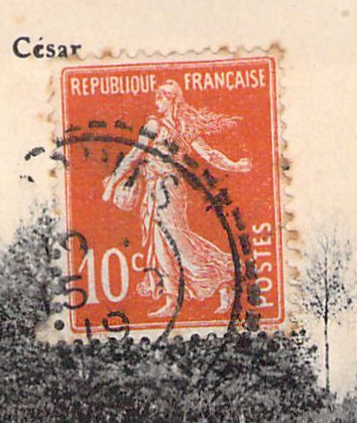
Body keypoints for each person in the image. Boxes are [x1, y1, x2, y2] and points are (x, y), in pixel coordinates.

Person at [100, 80, 252, 319]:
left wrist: (235, 165)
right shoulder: (160, 125)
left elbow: (207, 154)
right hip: (155, 188)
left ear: (170, 99)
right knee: (162, 244)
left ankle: (223, 276)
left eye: (159, 98)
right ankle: (177, 298)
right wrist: (115, 182)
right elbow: (135, 155)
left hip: (169, 190)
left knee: (176, 242)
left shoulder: (171, 126)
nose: (155, 103)